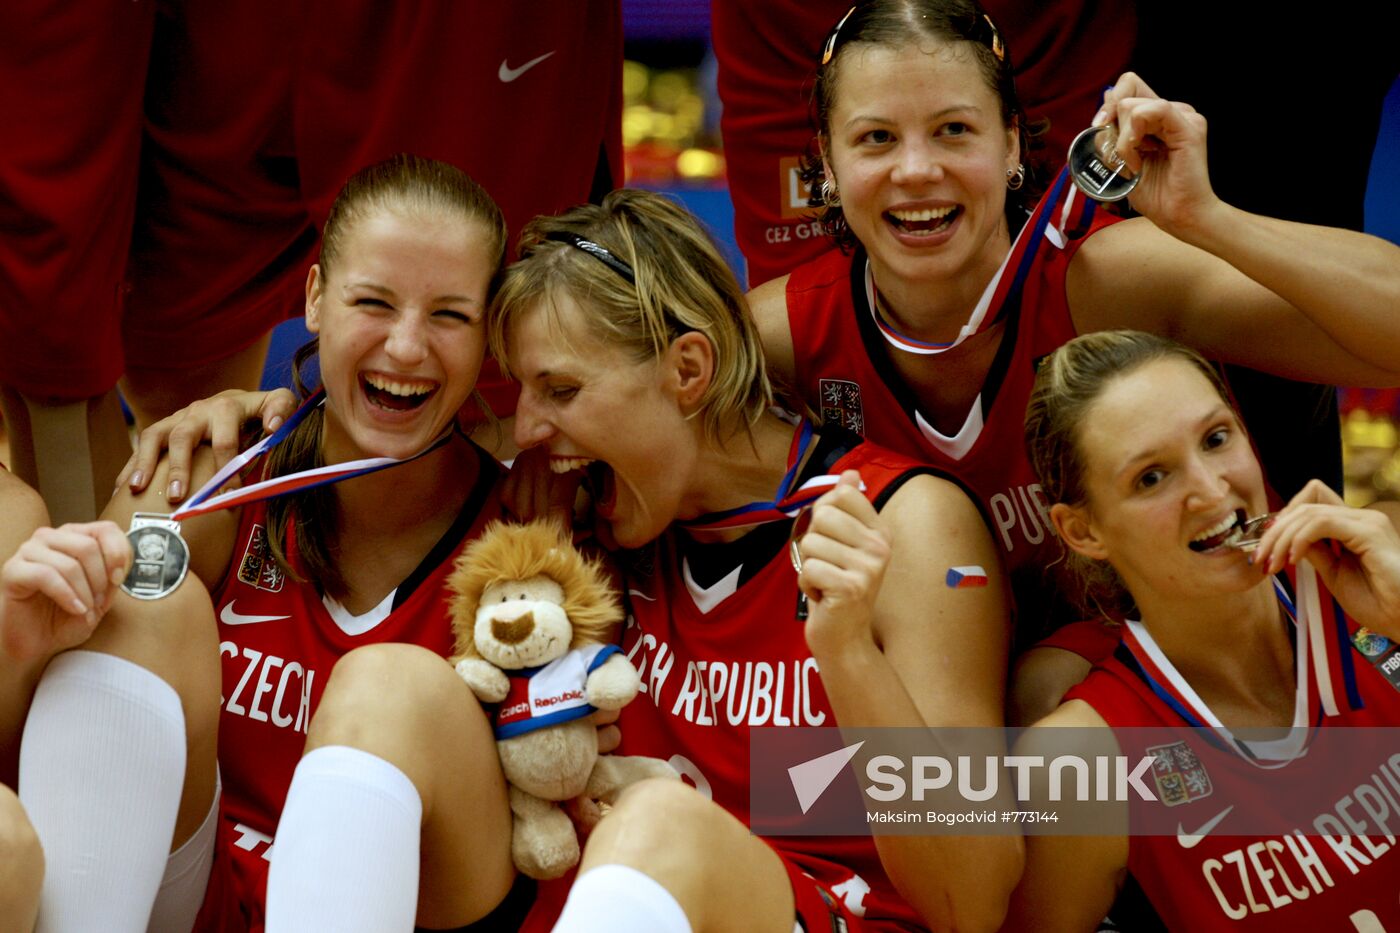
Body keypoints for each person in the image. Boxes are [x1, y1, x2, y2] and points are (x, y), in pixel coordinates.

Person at [112, 188, 1023, 931]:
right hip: (595, 904)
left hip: (812, 908)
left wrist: (851, 654)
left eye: (561, 390)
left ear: (689, 371)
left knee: (661, 825)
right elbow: (373, 440)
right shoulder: (582, 510)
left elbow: (971, 900)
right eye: (521, 393)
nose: (531, 432)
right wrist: (245, 420)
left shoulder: (904, 528)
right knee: (386, 682)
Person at [745, 0, 1400, 666]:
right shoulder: (782, 337)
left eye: (953, 130)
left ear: (1010, 144)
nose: (916, 170)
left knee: (1048, 685)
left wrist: (1208, 219)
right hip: (952, 702)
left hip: (1184, 677)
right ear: (826, 162)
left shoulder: (1103, 279)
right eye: (876, 138)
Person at [4, 154, 519, 932]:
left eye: (449, 315)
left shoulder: (534, 525)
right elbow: (50, 744)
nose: (407, 348)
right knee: (135, 593)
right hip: (193, 891)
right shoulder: (206, 468)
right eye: (373, 302)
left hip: (419, 907)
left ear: (492, 336)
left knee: (393, 689)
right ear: (314, 299)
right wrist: (16, 648)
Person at [1003, 330, 1400, 931]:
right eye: (1151, 478)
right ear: (1083, 532)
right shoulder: (1082, 758)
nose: (1212, 491)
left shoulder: (1379, 580)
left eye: (1217, 439)